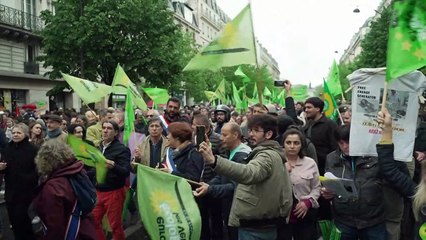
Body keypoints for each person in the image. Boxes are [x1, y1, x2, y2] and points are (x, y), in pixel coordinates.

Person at [199, 114, 293, 239]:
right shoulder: (264, 152)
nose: (251, 134)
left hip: (257, 227)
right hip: (256, 225)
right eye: (250, 130)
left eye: (256, 130)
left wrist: (214, 160)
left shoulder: (267, 155)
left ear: (268, 134)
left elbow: (248, 173)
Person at [321, 124, 387, 240]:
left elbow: (390, 177)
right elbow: (329, 181)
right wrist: (327, 193)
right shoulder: (332, 158)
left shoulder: (374, 157)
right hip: (344, 218)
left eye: (348, 142)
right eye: (341, 143)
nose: (345, 146)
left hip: (372, 218)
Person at [194, 122, 251, 240]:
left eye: (225, 135)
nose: (221, 138)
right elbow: (221, 176)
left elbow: (235, 187)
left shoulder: (243, 156)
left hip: (239, 211)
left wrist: (210, 189)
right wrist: (206, 185)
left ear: (235, 135)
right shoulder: (229, 151)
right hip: (229, 209)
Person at [32, 140, 97, 240]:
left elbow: (55, 226)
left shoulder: (53, 186)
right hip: (86, 228)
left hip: (71, 234)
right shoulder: (78, 172)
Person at [279, 128, 320, 240]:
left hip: (304, 216)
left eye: (296, 143)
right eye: (288, 143)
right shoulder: (277, 162)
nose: (292, 146)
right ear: (283, 144)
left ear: (301, 145)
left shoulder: (310, 163)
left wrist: (308, 202)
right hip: (282, 216)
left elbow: (317, 188)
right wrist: (282, 170)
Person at [92, 120, 130, 240]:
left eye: (109, 128)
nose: (105, 131)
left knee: (114, 225)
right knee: (93, 221)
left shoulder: (122, 149)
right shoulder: (98, 147)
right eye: (104, 128)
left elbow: (125, 172)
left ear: (116, 132)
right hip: (98, 191)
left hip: (114, 192)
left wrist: (114, 166)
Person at [0, 123, 39, 240]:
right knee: (14, 222)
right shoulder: (7, 149)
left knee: (25, 222)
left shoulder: (32, 149)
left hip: (27, 191)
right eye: (14, 133)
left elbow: (37, 170)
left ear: (25, 134)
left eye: (19, 133)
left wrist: (26, 178)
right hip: (11, 191)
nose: (15, 135)